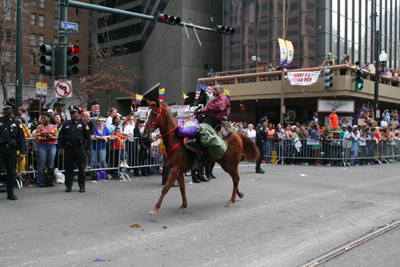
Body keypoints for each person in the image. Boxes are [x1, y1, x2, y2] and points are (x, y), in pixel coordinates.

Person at [196, 84, 231, 179]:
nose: (213, 90)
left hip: (211, 120)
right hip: (208, 118)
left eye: (215, 89)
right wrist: (200, 112)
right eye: (213, 89)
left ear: (221, 90)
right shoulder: (214, 98)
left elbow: (218, 107)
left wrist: (203, 110)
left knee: (202, 135)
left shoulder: (222, 97)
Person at [58, 106, 91, 193]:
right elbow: (60, 136)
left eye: (74, 113)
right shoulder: (66, 124)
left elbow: (88, 137)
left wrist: (88, 148)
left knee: (81, 168)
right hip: (69, 148)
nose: (72, 114)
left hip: (79, 148)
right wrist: (60, 147)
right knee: (69, 168)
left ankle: (82, 186)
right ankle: (68, 186)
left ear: (78, 114)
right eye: (71, 113)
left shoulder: (83, 124)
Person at [0, 101, 25, 200]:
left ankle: (10, 193)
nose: (5, 110)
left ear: (12, 110)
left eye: (7, 109)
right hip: (0, 149)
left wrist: (22, 152)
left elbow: (22, 138)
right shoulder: (0, 120)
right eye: (4, 109)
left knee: (11, 172)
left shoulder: (17, 122)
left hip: (11, 150)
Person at [35, 112, 58, 187]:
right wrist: (46, 137)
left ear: (49, 118)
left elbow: (56, 137)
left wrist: (51, 137)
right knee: (41, 164)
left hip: (51, 146)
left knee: (50, 164)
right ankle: (40, 181)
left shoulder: (54, 126)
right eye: (42, 118)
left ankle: (50, 180)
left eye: (45, 118)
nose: (43, 119)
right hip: (42, 146)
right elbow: (38, 138)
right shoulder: (39, 126)